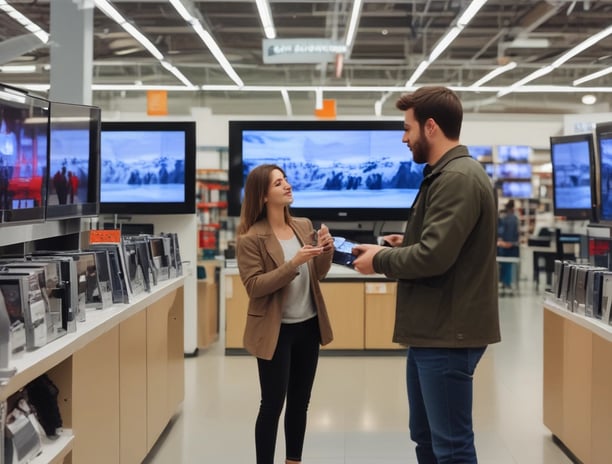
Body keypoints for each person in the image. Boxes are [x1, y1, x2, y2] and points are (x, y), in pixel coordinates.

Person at [351, 86, 501, 464]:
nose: (404, 138)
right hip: (432, 331)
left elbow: (434, 257)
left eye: (407, 128)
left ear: (430, 127)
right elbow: (443, 243)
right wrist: (408, 241)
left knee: (450, 445)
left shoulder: (458, 179)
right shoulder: (444, 174)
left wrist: (381, 259)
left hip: (448, 333)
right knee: (426, 438)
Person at [235, 163, 335, 464]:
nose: (287, 185)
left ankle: (294, 460)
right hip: (275, 332)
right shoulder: (250, 238)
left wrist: (325, 250)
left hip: (308, 326)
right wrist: (293, 263)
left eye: (286, 180)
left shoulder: (303, 225)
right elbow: (255, 287)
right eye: (279, 183)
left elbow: (318, 273)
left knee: (299, 404)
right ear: (263, 196)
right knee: (272, 405)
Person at [497, 199, 520, 292]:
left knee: (504, 265)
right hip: (510, 247)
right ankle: (507, 283)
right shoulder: (513, 219)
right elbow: (512, 235)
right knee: (508, 265)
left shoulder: (504, 218)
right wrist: (509, 243)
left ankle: (504, 282)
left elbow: (500, 232)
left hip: (503, 247)